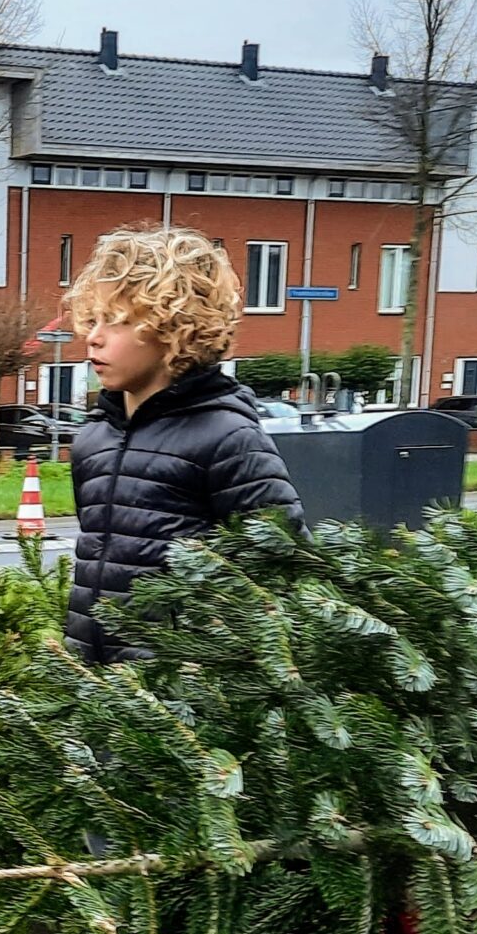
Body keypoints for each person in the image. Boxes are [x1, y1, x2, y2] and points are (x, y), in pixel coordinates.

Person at [64, 224, 302, 664]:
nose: (93, 336)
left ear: (175, 329)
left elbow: (283, 573)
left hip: (185, 689)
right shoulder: (93, 439)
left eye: (117, 321)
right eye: (92, 320)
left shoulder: (229, 438)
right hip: (98, 687)